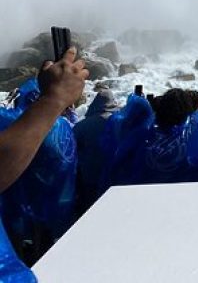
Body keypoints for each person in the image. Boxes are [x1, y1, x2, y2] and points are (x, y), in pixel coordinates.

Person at [0, 46, 87, 281]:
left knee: (25, 240)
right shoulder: (59, 125)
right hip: (56, 194)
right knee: (47, 240)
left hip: (25, 197)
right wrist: (55, 98)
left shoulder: (14, 123)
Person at [73, 88, 119, 214]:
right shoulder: (121, 123)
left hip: (89, 174)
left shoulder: (82, 125)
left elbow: (71, 150)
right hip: (114, 175)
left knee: (88, 209)